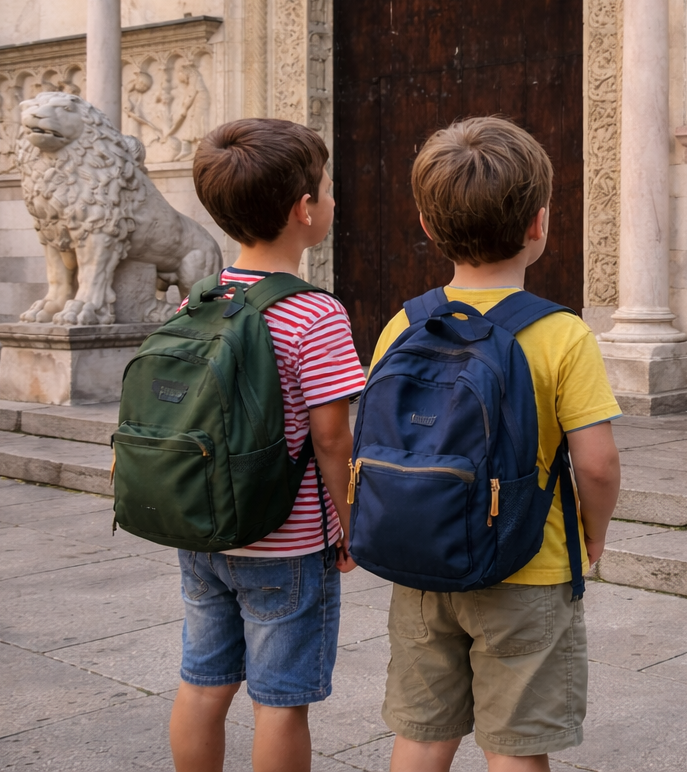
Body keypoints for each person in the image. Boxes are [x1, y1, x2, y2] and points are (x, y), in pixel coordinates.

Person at [372, 116, 622, 772]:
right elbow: (596, 463)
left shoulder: (404, 321)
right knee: (514, 746)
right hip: (527, 565)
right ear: (539, 224)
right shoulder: (563, 335)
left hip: (422, 559)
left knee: (423, 733)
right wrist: (593, 533)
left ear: (428, 227)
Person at [169, 119, 365, 772]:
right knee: (280, 700)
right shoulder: (316, 313)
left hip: (202, 532)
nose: (333, 203)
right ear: (304, 210)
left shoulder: (197, 302)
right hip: (287, 542)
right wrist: (348, 523)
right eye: (329, 192)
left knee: (203, 680)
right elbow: (332, 438)